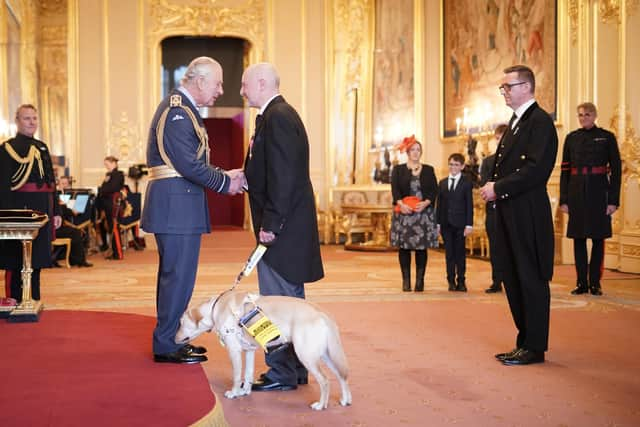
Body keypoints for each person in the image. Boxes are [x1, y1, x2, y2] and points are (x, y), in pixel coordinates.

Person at [142, 56, 245, 364]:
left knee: (178, 276)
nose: (220, 90)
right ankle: (166, 344)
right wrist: (225, 183)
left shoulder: (183, 110)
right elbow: (187, 165)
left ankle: (171, 337)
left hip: (178, 204)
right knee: (178, 277)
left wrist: (225, 174)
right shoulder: (177, 112)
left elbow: (189, 162)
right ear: (199, 81)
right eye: (217, 83)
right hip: (176, 207)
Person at [240, 62, 324, 391]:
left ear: (261, 83)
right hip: (285, 228)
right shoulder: (276, 117)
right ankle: (295, 369)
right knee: (288, 304)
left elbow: (284, 177)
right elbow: (270, 170)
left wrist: (271, 223)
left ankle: (282, 373)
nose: (242, 91)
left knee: (275, 305)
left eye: (245, 85)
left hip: (281, 230)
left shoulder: (279, 117)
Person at [480, 64, 558, 366]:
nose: (504, 92)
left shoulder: (539, 122)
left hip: (527, 212)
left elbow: (535, 170)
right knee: (512, 276)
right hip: (510, 211)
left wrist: (498, 187)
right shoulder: (516, 122)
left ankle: (535, 345)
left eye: (508, 87)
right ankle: (523, 340)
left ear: (526, 86)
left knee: (530, 277)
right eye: (503, 88)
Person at [0, 104, 62, 302]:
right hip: (17, 207)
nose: (31, 122)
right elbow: (3, 185)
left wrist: (57, 212)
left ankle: (33, 297)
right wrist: (6, 214)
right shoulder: (7, 148)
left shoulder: (42, 146)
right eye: (27, 118)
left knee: (37, 257)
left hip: (42, 208)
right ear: (17, 121)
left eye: (34, 118)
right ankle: (14, 298)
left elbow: (51, 183)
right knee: (15, 257)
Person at [560, 102, 621, 296]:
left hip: (599, 191)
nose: (583, 118)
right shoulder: (571, 138)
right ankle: (581, 283)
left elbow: (617, 171)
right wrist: (564, 199)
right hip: (576, 192)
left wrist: (613, 200)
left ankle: (595, 283)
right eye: (580, 115)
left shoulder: (607, 137)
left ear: (594, 116)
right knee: (578, 239)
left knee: (598, 239)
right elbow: (565, 171)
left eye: (587, 114)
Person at [390, 136, 439, 292]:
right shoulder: (398, 170)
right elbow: (395, 189)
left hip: (422, 214)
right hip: (404, 213)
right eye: (413, 150)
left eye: (418, 150)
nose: (416, 153)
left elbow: (433, 190)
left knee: (421, 248)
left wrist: (426, 203)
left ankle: (419, 281)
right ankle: (406, 281)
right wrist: (401, 204)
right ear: (407, 152)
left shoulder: (429, 170)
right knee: (404, 248)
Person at [436, 153, 473, 292]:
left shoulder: (466, 183)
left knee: (460, 254)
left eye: (456, 165)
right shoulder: (443, 183)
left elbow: (469, 205)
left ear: (462, 166)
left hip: (460, 224)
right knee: (449, 254)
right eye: (451, 164)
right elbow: (439, 205)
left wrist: (469, 224)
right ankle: (450, 280)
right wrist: (438, 223)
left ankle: (461, 281)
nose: (453, 167)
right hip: (446, 224)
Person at [480, 124, 508, 293]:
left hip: (512, 209)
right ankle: (496, 280)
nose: (500, 142)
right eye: (497, 139)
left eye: (503, 139)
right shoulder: (488, 161)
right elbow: (484, 185)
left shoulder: (515, 160)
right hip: (494, 210)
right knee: (496, 247)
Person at [96, 156, 125, 257]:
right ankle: (113, 251)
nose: (106, 166)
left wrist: (102, 190)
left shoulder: (118, 174)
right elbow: (104, 187)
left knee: (114, 227)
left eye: (107, 164)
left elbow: (112, 187)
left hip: (113, 204)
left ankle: (118, 253)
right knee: (110, 227)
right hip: (107, 204)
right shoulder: (109, 175)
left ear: (114, 163)